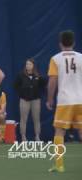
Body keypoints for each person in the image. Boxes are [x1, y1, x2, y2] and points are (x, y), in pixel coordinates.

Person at [47, 30, 82, 173]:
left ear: (60, 43)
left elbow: (52, 81)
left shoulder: (55, 59)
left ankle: (59, 165)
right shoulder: (81, 57)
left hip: (64, 100)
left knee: (59, 131)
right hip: (80, 99)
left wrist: (49, 99)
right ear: (74, 42)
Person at [14, 59, 46, 141]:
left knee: (36, 119)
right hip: (24, 100)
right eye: (27, 64)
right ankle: (23, 137)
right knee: (23, 119)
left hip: (36, 100)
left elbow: (43, 86)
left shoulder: (38, 76)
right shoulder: (21, 75)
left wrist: (39, 95)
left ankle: (37, 136)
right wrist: (22, 94)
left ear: (33, 66)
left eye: (30, 64)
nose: (28, 66)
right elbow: (16, 86)